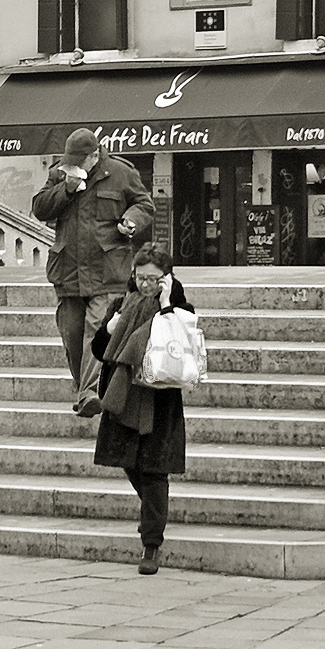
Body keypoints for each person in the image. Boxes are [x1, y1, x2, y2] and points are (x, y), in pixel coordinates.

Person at [31, 128, 154, 418]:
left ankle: (89, 393)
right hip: (68, 272)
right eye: (68, 161)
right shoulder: (60, 174)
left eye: (78, 161)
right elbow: (40, 208)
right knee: (72, 336)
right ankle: (84, 388)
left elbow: (144, 204)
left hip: (108, 269)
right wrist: (67, 189)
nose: (72, 166)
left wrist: (131, 221)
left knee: (97, 332)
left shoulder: (120, 173)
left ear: (95, 156)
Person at [91, 242, 190, 575]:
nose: (146, 284)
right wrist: (109, 328)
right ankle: (154, 513)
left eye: (154, 279)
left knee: (153, 471)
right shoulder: (122, 304)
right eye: (141, 277)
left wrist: (165, 305)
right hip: (123, 396)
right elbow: (99, 350)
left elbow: (183, 343)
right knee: (131, 466)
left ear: (167, 278)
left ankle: (151, 545)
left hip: (158, 401)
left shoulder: (179, 307)